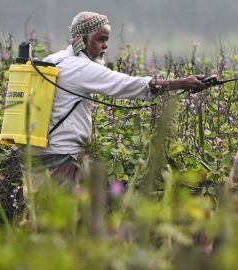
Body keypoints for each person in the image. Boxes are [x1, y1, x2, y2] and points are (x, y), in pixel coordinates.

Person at [27, 11, 215, 184]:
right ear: (81, 40)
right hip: (60, 157)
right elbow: (126, 84)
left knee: (41, 213)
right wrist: (182, 83)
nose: (105, 46)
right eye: (101, 39)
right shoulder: (80, 68)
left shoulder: (54, 59)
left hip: (36, 154)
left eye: (106, 40)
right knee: (62, 216)